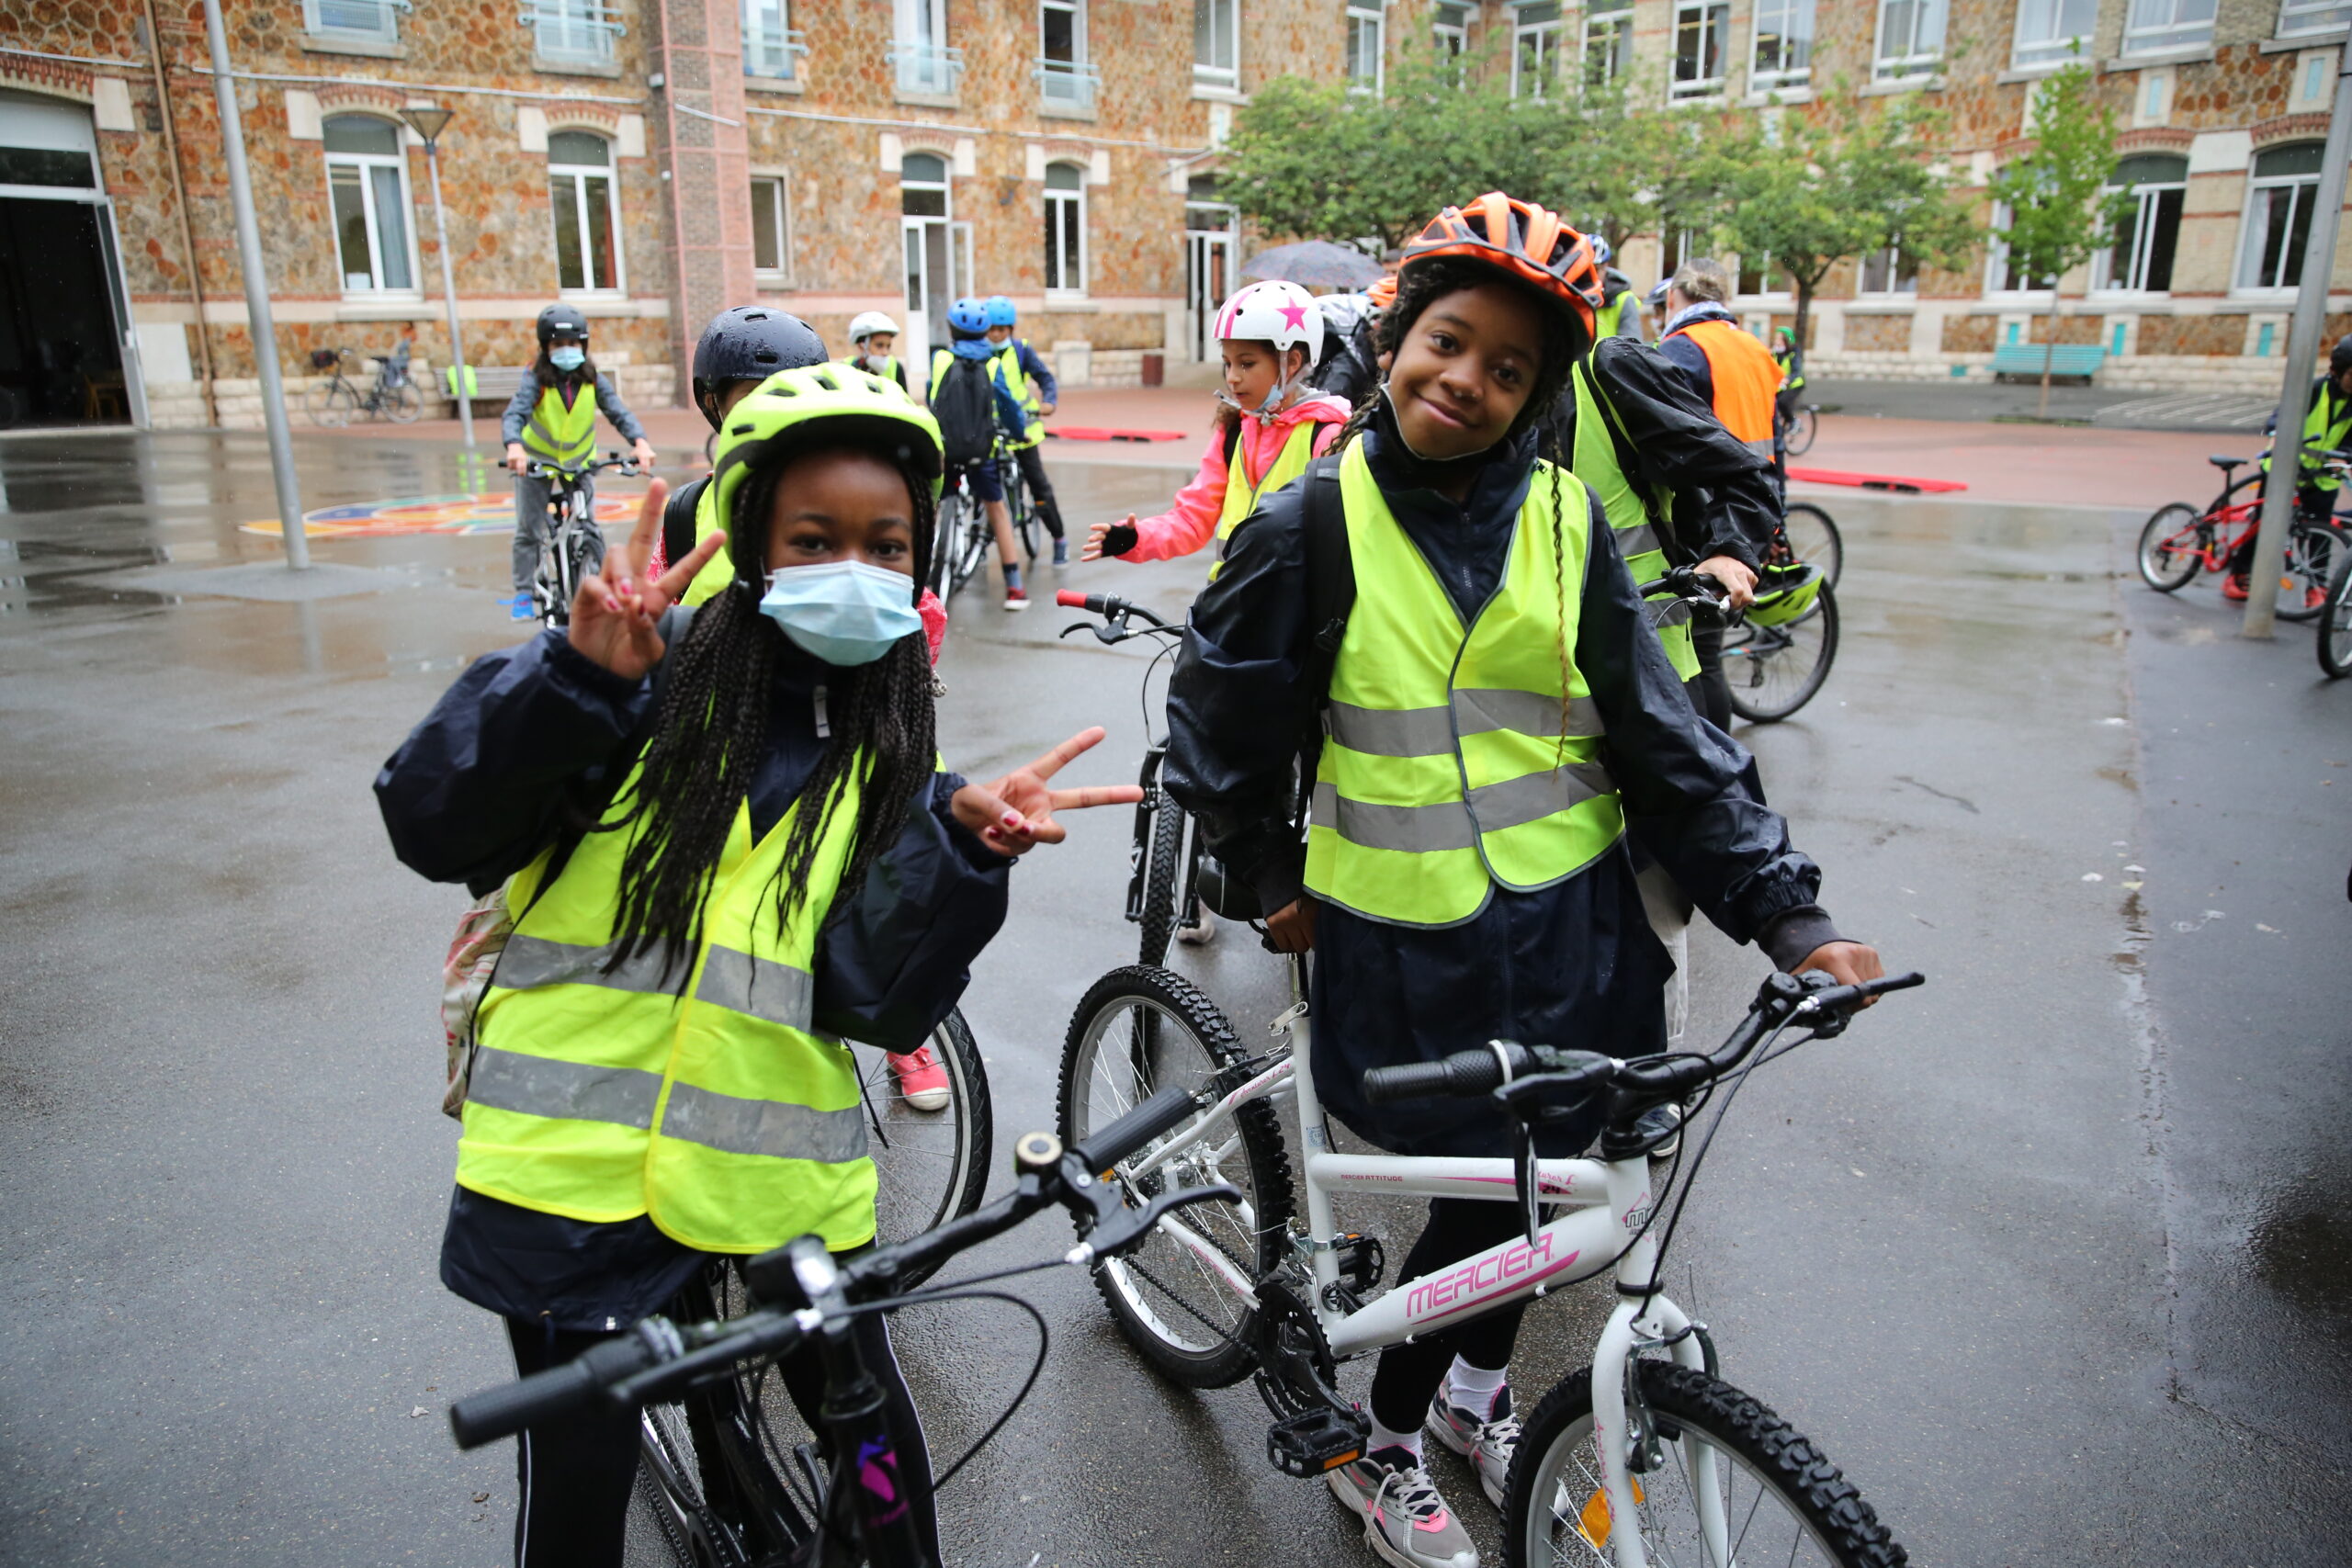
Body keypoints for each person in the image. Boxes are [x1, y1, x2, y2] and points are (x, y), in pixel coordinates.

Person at [1164, 192, 1883, 1568]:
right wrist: (1267, 882)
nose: (1471, 381)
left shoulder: (1565, 521)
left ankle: (1477, 1398)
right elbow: (1215, 737)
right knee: (1496, 1195)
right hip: (1407, 944)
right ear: (1393, 337)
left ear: (1544, 390)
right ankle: (1379, 1436)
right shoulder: (1306, 526)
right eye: (1450, 341)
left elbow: (1671, 745)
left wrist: (1790, 912)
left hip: (1583, 940)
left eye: (1511, 368)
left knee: (1557, 1191)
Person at [377, 364, 1138, 1568]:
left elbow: (869, 990)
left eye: (886, 542)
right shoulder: (634, 669)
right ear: (752, 541)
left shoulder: (886, 734)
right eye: (815, 535)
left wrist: (960, 851)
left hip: (779, 1169)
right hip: (568, 1181)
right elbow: (432, 821)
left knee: (876, 1455)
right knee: (580, 1483)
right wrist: (568, 684)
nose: (856, 564)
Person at [1083, 280, 1352, 577]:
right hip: (1228, 606)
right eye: (1227, 363)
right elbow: (1192, 518)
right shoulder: (1235, 430)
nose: (1232, 377)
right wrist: (1137, 539)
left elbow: (1340, 541)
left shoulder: (1325, 435)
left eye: (1246, 364)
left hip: (1290, 615)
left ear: (1292, 363)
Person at [502, 304, 659, 621]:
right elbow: (515, 413)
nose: (566, 350)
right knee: (529, 530)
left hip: (580, 462)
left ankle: (598, 581)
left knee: (589, 526)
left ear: (583, 346)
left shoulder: (592, 379)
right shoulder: (536, 379)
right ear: (546, 348)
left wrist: (640, 443)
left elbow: (617, 412)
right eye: (558, 344)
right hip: (538, 462)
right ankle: (523, 591)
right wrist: (515, 447)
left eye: (573, 344)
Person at [931, 297, 1032, 609]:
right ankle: (1014, 587)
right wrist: (1019, 432)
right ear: (986, 332)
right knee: (997, 508)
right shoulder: (993, 364)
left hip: (946, 447)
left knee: (933, 505)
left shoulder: (941, 359)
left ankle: (921, 573)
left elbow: (933, 397)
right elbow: (1007, 406)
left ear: (952, 330)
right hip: (980, 449)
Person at [2236, 333, 2352, 602]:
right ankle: (2239, 574)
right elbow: (2282, 414)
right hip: (2285, 468)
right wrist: (2276, 428)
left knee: (2320, 532)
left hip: (2323, 475)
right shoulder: (2313, 390)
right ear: (2337, 370)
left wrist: (2345, 455)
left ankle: (2317, 588)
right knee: (2265, 524)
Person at [1655, 258, 1785, 476]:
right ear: (1725, 300)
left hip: (1712, 498)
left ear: (1671, 297)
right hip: (1759, 493)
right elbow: (1775, 435)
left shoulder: (1677, 349)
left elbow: (1668, 445)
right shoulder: (1756, 348)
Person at [981, 296, 1070, 566]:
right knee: (986, 488)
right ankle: (983, 542)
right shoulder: (978, 352)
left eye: (1001, 329)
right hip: (990, 432)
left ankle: (1059, 539)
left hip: (1022, 433)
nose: (995, 335)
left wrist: (1049, 402)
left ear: (1011, 330)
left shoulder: (1021, 351)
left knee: (1039, 486)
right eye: (991, 329)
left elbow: (1044, 377)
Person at [1591, 236, 1645, 342]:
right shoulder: (1567, 295)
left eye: (1596, 270)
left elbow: (1631, 350)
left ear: (1605, 266)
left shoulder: (1624, 299)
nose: (1591, 275)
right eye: (1586, 270)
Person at [844, 310, 909, 393]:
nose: (885, 352)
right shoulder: (847, 368)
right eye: (879, 345)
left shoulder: (896, 368)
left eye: (888, 346)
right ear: (862, 345)